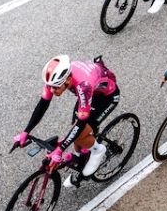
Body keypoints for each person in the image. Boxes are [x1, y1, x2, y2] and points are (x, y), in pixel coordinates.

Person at [12, 54, 120, 187]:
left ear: (68, 80)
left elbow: (81, 123)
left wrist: (60, 149)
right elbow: (43, 104)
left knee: (80, 133)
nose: (52, 90)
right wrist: (26, 131)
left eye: (56, 87)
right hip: (90, 93)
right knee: (75, 131)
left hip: (107, 97)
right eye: (50, 86)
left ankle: (98, 150)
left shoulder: (83, 86)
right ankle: (82, 158)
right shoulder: (57, 79)